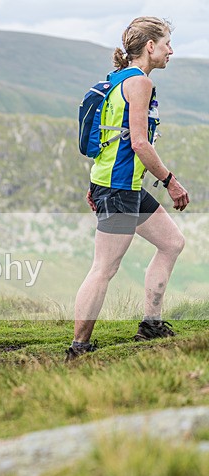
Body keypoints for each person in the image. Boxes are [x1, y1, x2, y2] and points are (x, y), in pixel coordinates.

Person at [67, 17, 189, 361]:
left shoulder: (119, 79)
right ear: (150, 46)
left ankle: (151, 324)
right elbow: (139, 143)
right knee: (104, 268)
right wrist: (170, 181)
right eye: (166, 44)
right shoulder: (138, 84)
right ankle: (79, 348)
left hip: (122, 185)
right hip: (118, 188)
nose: (170, 51)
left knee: (171, 243)